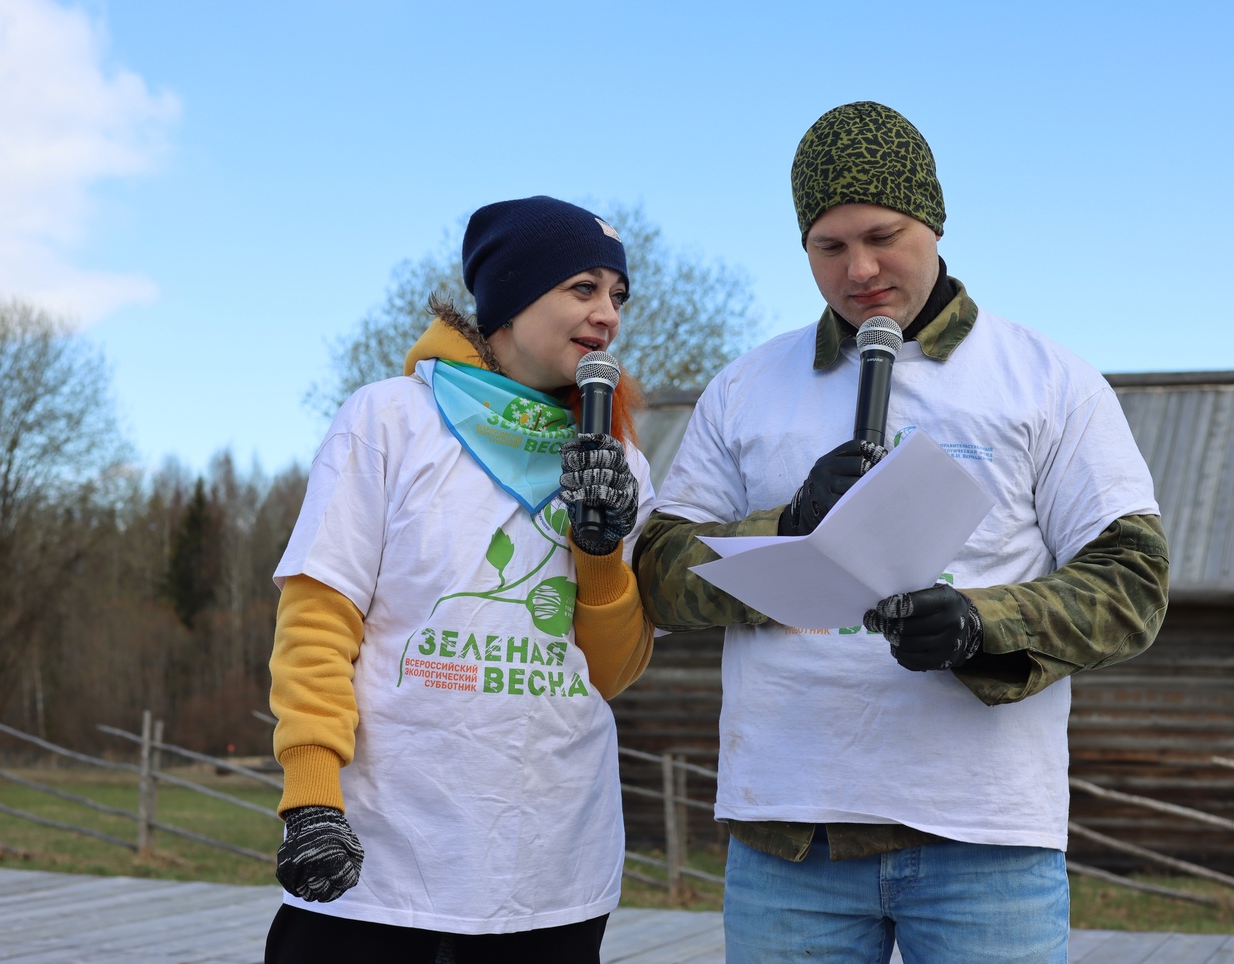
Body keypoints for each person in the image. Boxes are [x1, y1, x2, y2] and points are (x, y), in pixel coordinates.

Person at [633, 102, 1169, 963]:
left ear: (937, 219)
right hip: (788, 837)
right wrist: (790, 524)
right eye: (830, 246)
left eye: (885, 235)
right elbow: (655, 572)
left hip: (984, 836)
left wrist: (979, 623)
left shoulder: (1047, 379)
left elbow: (1134, 581)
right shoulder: (745, 388)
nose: (861, 270)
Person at [264, 196, 656, 964]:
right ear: (509, 298)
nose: (607, 313)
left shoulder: (621, 462)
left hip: (549, 871)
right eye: (582, 287)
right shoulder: (389, 420)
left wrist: (602, 554)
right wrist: (310, 795)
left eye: (618, 294)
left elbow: (608, 674)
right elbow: (318, 617)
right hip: (380, 863)